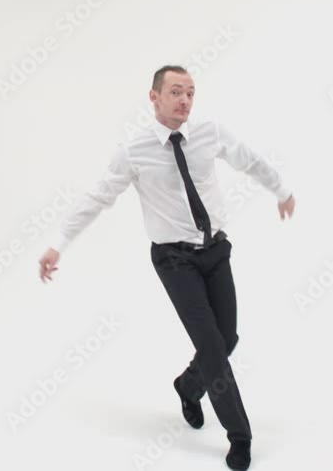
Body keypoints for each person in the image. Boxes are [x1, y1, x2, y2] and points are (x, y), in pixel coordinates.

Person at [37, 65, 295, 470]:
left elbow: (248, 160)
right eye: (175, 92)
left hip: (215, 251)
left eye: (190, 92)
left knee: (227, 338)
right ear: (154, 97)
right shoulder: (133, 151)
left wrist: (281, 189)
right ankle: (240, 437)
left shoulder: (209, 133)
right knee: (212, 347)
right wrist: (60, 244)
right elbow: (98, 197)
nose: (185, 100)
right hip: (174, 260)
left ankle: (188, 387)